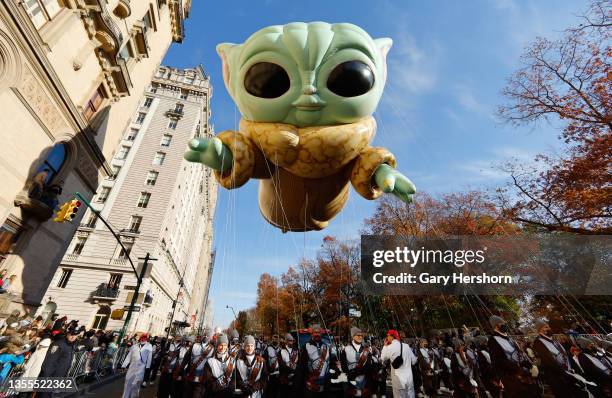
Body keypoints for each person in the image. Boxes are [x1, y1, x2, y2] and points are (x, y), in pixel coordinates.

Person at [532, 320, 592, 398]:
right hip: (559, 378)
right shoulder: (538, 342)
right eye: (546, 327)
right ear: (540, 329)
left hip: (568, 375)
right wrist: (565, 374)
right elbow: (549, 361)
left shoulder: (554, 340)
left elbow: (563, 355)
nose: (549, 328)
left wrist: (570, 355)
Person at [488, 315, 539, 398]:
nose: (505, 324)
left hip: (523, 375)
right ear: (496, 325)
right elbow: (498, 361)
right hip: (512, 378)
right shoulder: (493, 340)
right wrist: (517, 367)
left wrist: (530, 365)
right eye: (502, 323)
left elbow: (519, 354)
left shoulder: (509, 338)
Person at [38, 326, 81, 398]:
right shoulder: (59, 344)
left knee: (49, 394)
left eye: (75, 335)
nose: (73, 337)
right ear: (68, 334)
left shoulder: (71, 345)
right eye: (72, 334)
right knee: (44, 395)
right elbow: (50, 361)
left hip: (59, 375)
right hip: (51, 375)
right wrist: (45, 376)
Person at [299, 324, 336, 397]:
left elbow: (331, 363)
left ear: (321, 334)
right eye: (315, 332)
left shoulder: (327, 347)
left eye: (319, 332)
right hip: (312, 384)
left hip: (325, 385)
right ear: (312, 334)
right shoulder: (306, 347)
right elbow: (301, 366)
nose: (317, 334)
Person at [381, 329, 417, 398]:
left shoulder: (389, 347)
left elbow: (382, 358)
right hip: (409, 379)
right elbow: (414, 361)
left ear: (391, 337)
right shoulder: (406, 346)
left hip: (399, 381)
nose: (387, 338)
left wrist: (385, 346)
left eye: (387, 336)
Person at [341, 327, 373, 397]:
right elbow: (344, 367)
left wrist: (368, 386)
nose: (360, 337)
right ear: (353, 336)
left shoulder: (367, 350)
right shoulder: (345, 350)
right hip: (351, 384)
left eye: (361, 335)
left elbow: (369, 368)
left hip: (365, 384)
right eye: (358, 335)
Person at [203, 333, 235, 397]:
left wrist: (230, 389)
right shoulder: (210, 361)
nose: (223, 348)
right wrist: (220, 388)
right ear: (217, 346)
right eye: (220, 345)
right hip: (214, 394)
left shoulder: (232, 361)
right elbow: (208, 382)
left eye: (225, 345)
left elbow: (234, 379)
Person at [122, 333, 153, 398]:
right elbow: (129, 355)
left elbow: (149, 357)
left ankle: (134, 396)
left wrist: (148, 366)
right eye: (142, 337)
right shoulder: (135, 345)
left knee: (136, 384)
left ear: (147, 338)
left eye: (144, 337)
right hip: (132, 366)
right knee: (127, 381)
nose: (143, 338)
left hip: (141, 367)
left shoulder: (149, 346)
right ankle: (125, 396)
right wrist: (124, 365)